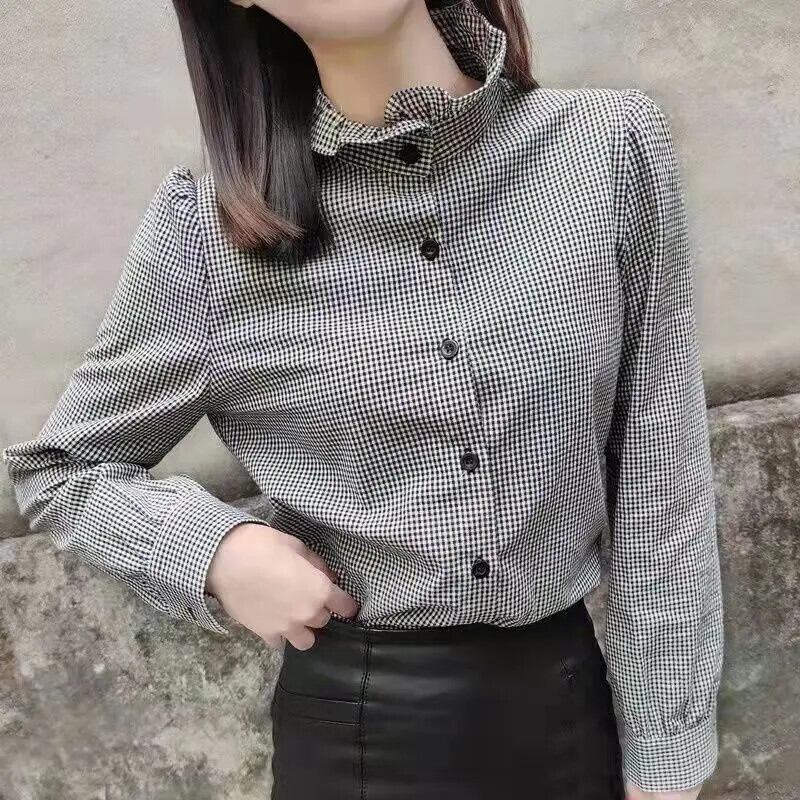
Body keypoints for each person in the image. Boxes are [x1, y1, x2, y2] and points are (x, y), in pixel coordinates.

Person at [2, 1, 724, 798]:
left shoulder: (608, 149)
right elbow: (62, 471)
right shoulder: (204, 238)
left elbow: (663, 472)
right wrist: (216, 551)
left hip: (570, 713)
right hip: (359, 741)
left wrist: (668, 757)